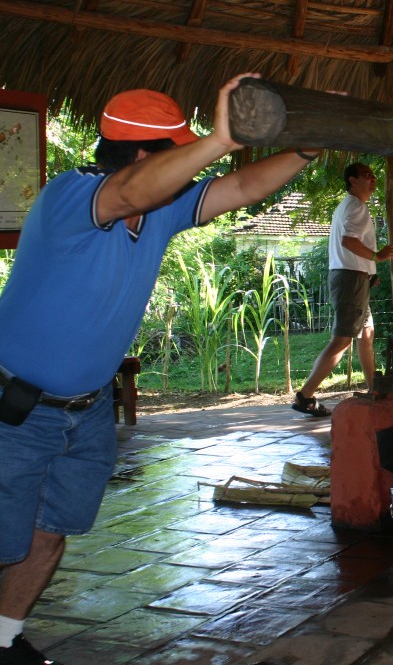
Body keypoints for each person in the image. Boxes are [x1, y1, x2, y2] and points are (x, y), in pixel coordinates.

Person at [0, 73, 321, 665]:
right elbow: (126, 193)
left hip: (85, 413)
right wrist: (221, 140)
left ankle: (4, 640)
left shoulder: (163, 212)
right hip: (15, 412)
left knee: (48, 534)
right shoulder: (70, 198)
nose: (193, 170)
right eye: (182, 155)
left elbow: (245, 185)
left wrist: (305, 148)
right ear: (145, 156)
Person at [292, 163, 393, 416]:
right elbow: (348, 241)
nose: (373, 180)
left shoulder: (349, 206)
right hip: (350, 279)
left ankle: (374, 390)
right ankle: (305, 396)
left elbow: (350, 243)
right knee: (342, 339)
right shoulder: (355, 206)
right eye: (367, 176)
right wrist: (377, 256)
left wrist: (368, 271)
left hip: (355, 277)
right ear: (352, 180)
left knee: (366, 334)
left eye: (373, 176)